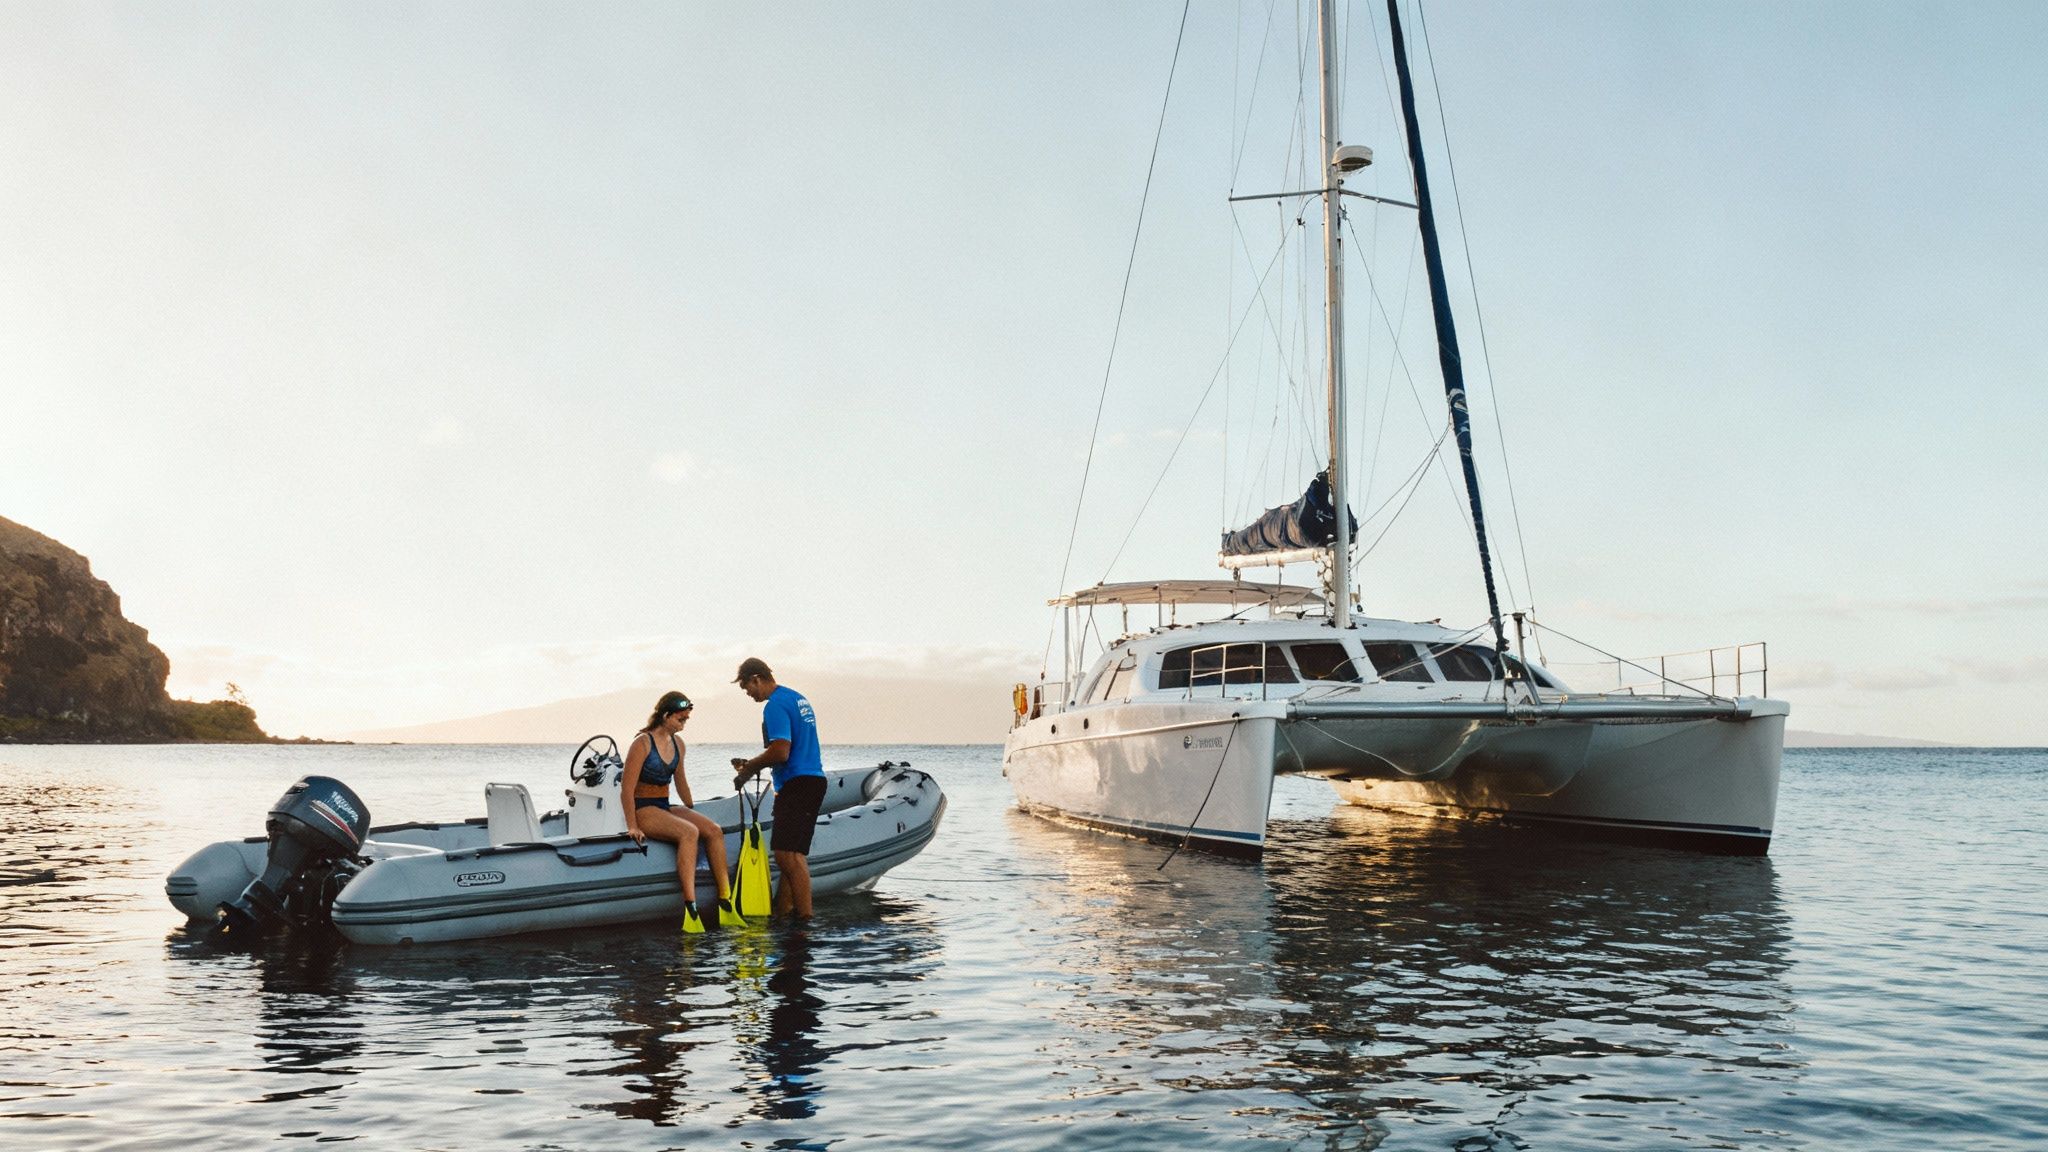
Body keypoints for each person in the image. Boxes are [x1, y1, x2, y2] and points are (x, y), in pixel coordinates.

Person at [623, 690, 737, 932]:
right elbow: (627, 789)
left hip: (665, 804)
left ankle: (725, 900)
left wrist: (692, 806)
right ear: (666, 716)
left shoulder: (678, 744)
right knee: (689, 833)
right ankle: (691, 904)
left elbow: (681, 781)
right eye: (681, 719)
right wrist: (632, 825)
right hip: (644, 809)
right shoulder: (642, 743)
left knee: (713, 830)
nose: (684, 723)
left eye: (686, 719)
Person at [730, 658, 826, 918]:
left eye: (747, 688)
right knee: (792, 855)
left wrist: (750, 766)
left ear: (756, 679)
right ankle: (783, 913)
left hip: (798, 782)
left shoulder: (774, 706)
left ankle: (805, 921)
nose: (748, 694)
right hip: (813, 779)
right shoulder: (797, 698)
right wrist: (756, 765)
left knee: (787, 857)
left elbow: (781, 751)